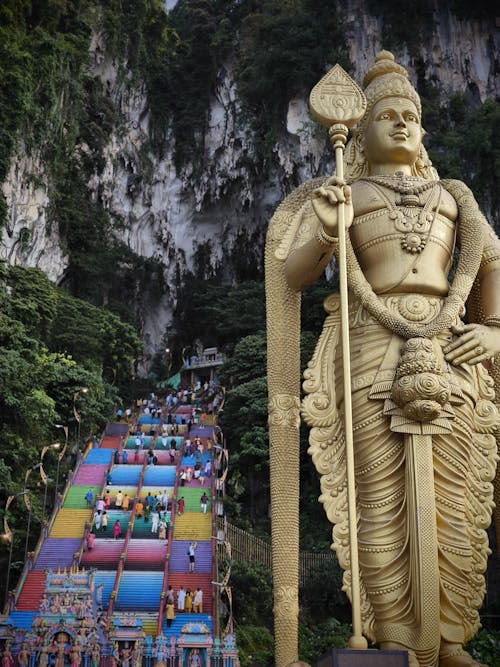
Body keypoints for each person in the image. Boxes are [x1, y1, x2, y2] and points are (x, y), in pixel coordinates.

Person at [271, 50, 500, 667]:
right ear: (363, 130)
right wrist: (325, 228)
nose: (402, 124)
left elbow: (492, 261)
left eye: (411, 115)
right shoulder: (349, 191)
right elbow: (291, 276)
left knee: (457, 496)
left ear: (422, 130)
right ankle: (397, 634)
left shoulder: (455, 195)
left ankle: (450, 638)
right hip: (370, 342)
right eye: (387, 115)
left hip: (450, 343)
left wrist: (496, 329)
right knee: (377, 498)